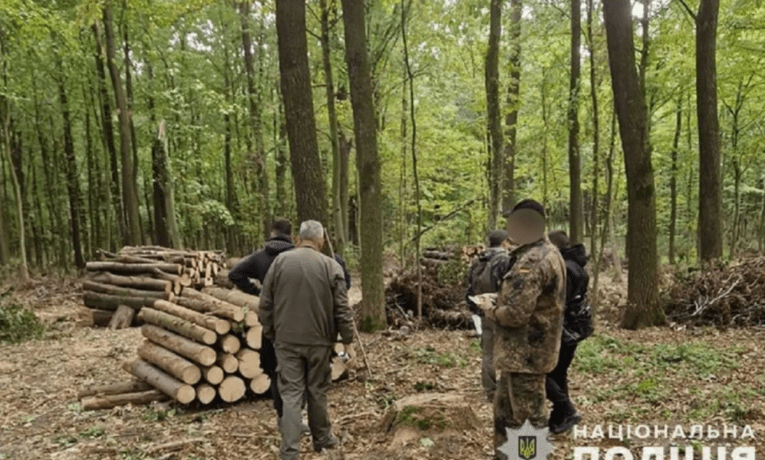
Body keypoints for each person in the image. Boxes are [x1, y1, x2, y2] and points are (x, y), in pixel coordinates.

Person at [259, 220, 354, 460]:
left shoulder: (280, 262)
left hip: (287, 341)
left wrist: (271, 332)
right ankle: (322, 439)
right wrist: (348, 342)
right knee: (317, 390)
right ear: (321, 241)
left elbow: (265, 303)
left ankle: (289, 452)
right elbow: (343, 309)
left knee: (290, 394)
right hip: (320, 341)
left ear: (298, 239)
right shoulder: (331, 266)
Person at [480, 199, 565, 459]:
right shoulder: (544, 252)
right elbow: (532, 302)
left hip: (526, 356)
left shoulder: (534, 260)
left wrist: (489, 309)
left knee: (528, 423)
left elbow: (516, 315)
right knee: (506, 416)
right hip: (520, 356)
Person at [546, 230, 591, 434]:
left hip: (566, 329)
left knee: (542, 373)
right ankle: (559, 418)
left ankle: (566, 409)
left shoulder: (566, 269)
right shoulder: (575, 265)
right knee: (558, 373)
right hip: (574, 328)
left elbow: (558, 301)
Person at [465, 230, 512, 401]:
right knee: (508, 350)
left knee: (488, 352)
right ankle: (507, 389)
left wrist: (476, 308)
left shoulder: (478, 260)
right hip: (501, 311)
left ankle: (490, 390)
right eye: (508, 242)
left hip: (482, 311)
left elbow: (469, 287)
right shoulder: (505, 260)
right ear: (504, 242)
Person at [228, 219, 294, 296]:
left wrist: (256, 291)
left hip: (269, 303)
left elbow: (234, 274)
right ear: (291, 235)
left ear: (272, 233)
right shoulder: (299, 257)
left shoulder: (259, 256)